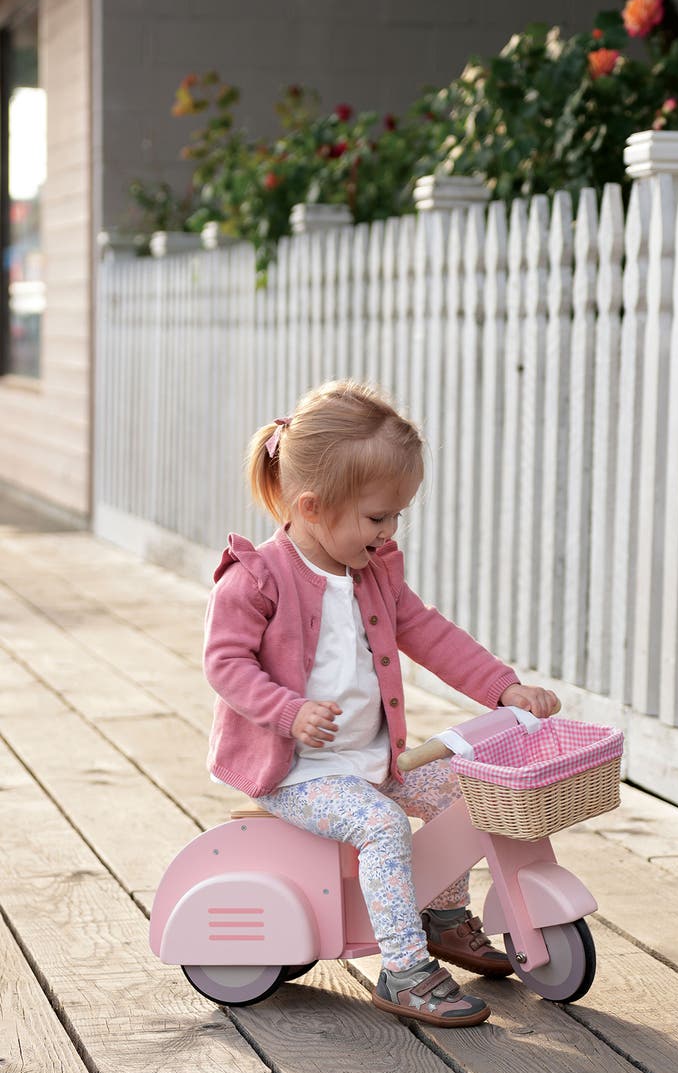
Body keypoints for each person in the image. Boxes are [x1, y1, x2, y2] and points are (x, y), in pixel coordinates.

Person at [204, 379, 559, 1027]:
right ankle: (402, 969)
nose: (390, 530)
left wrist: (503, 686)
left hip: (371, 760)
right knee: (382, 826)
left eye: (398, 514)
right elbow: (224, 665)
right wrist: (287, 710)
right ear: (312, 507)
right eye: (377, 517)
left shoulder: (374, 571)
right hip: (299, 773)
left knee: (465, 786)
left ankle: (444, 917)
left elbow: (428, 631)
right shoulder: (258, 578)